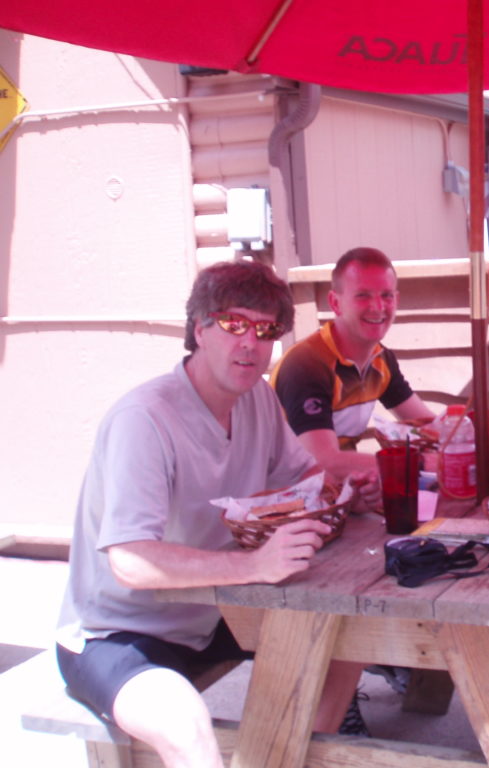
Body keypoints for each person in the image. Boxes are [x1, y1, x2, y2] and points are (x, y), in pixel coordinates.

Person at [55, 261, 372, 768]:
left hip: (213, 614)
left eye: (266, 330)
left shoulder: (257, 400)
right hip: (117, 633)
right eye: (233, 324)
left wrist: (349, 489)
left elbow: (305, 476)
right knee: (187, 728)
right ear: (199, 329)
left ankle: (290, 759)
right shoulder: (144, 420)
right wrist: (253, 567)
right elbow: (131, 562)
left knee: (347, 639)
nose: (251, 342)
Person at [270, 247, 435, 477]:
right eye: (363, 295)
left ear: (396, 300)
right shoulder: (305, 366)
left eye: (386, 295)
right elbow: (324, 461)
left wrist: (484, 439)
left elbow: (429, 428)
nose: (378, 307)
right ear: (335, 303)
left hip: (345, 494)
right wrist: (420, 465)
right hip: (292, 499)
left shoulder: (381, 359)